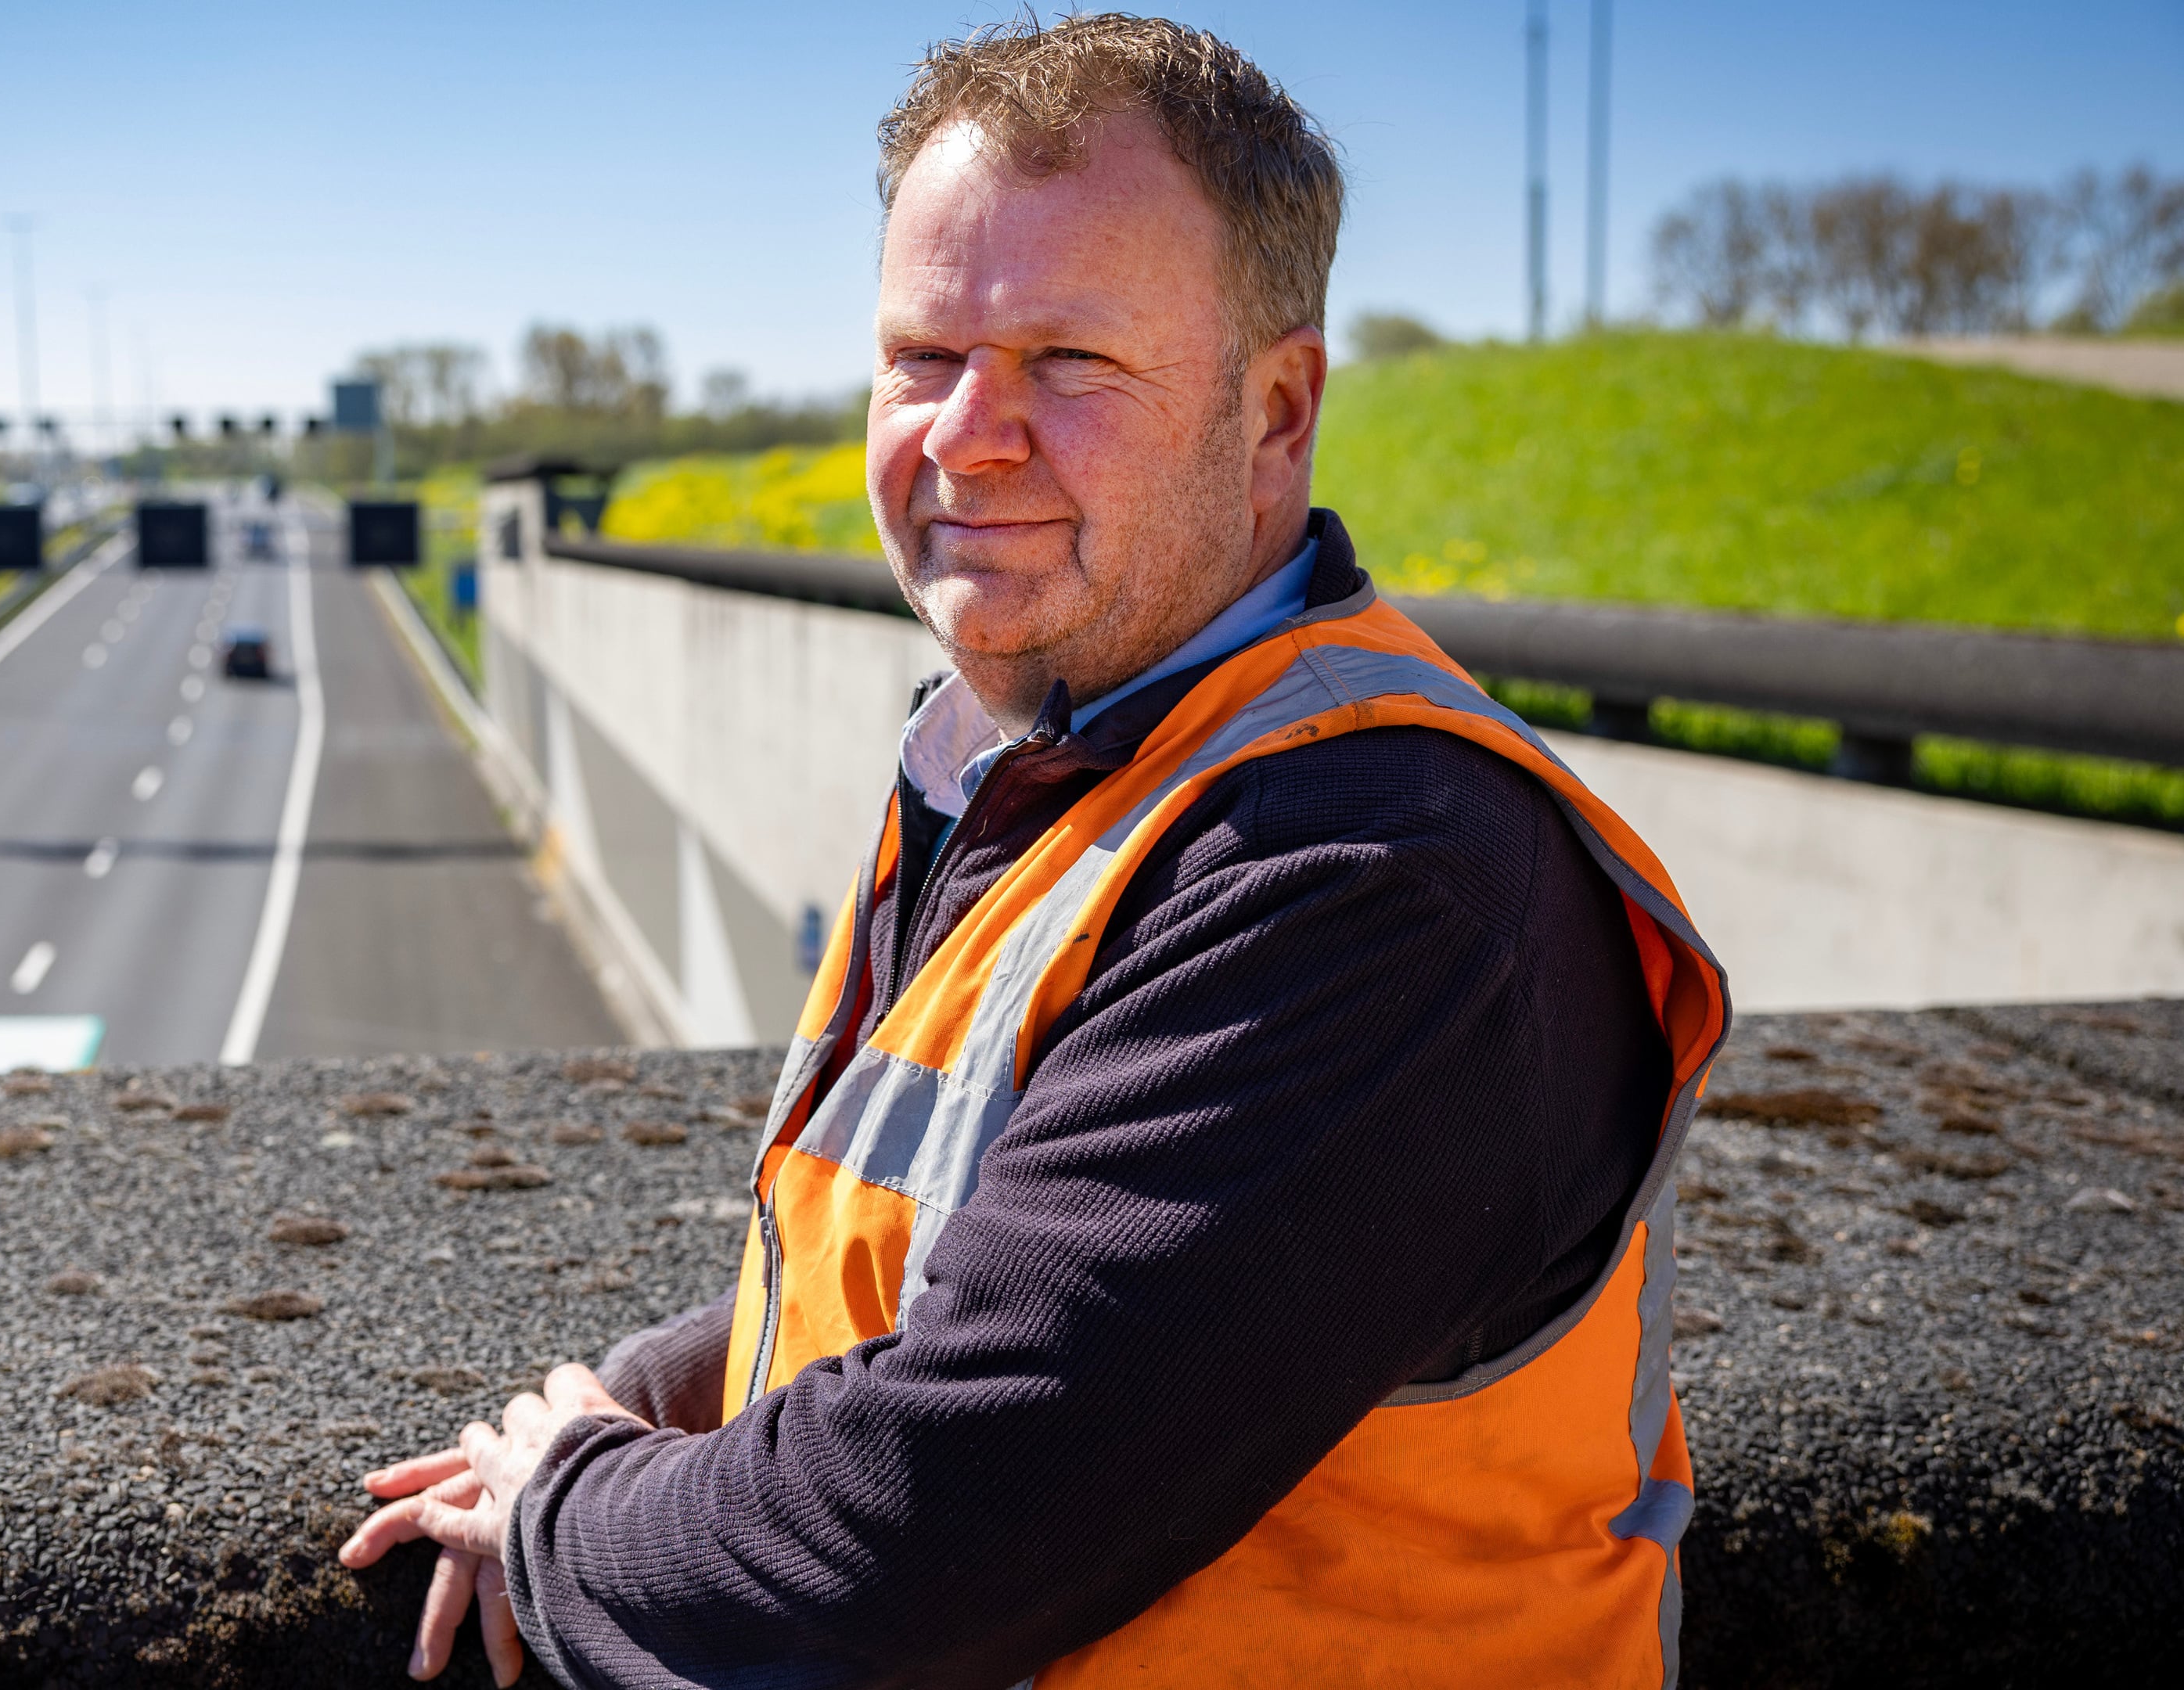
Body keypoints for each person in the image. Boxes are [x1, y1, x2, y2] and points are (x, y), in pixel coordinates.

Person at [343, 14, 1728, 1688]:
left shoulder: (1375, 870)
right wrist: (685, 1387)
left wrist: (573, 1505)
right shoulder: (1052, 759)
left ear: (1277, 409)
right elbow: (1002, 1258)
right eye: (923, 356)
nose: (966, 434)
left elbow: (930, 1532)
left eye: (1069, 363)